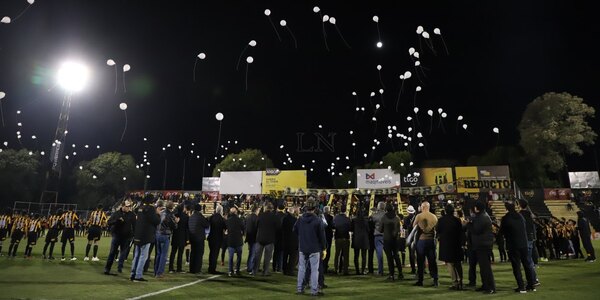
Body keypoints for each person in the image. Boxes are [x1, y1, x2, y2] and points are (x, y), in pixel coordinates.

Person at [499, 201, 536, 293]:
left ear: (506, 208)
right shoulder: (520, 216)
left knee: (516, 266)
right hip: (523, 244)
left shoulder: (506, 218)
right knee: (527, 264)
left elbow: (501, 232)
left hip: (513, 245)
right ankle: (531, 285)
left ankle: (521, 286)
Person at [294, 198, 326, 296]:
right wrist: (324, 248)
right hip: (314, 248)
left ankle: (300, 289)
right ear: (314, 208)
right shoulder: (317, 220)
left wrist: (302, 236)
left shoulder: (300, 219)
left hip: (303, 247)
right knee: (314, 270)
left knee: (302, 269)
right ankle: (314, 290)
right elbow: (322, 236)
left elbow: (294, 230)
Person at [130, 195, 161, 282]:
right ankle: (138, 275)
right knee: (143, 256)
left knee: (136, 255)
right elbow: (156, 221)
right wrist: (158, 214)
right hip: (146, 235)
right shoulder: (150, 209)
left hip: (138, 234)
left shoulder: (140, 208)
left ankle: (133, 274)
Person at [469, 200, 496, 294]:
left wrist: (468, 224)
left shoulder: (481, 217)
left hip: (483, 245)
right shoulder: (482, 216)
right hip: (483, 244)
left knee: (485, 267)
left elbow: (476, 230)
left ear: (477, 208)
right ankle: (485, 285)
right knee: (483, 267)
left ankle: (491, 287)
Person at [104, 199, 136, 275]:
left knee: (123, 253)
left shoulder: (132, 215)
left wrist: (133, 235)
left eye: (129, 206)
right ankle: (107, 268)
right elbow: (109, 222)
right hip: (117, 235)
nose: (128, 208)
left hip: (126, 237)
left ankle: (120, 268)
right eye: (127, 206)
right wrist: (117, 221)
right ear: (122, 206)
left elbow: (135, 226)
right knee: (112, 252)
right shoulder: (116, 213)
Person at [437, 204, 464, 290]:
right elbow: (461, 232)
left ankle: (455, 282)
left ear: (445, 211)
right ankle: (460, 281)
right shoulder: (457, 220)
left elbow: (438, 231)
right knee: (458, 264)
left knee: (450, 264)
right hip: (456, 245)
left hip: (446, 245)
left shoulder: (441, 220)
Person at [413, 201, 439, 287]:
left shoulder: (419, 216)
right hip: (431, 240)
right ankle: (435, 279)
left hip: (421, 240)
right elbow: (437, 229)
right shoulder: (434, 217)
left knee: (420, 261)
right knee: (432, 261)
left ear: (422, 207)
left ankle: (420, 280)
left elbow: (414, 227)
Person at [253, 203, 280, 276]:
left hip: (260, 238)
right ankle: (265, 272)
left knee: (257, 256)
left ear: (265, 208)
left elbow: (256, 225)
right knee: (267, 257)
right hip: (270, 239)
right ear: (272, 209)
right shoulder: (274, 216)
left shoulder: (260, 215)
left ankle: (254, 271)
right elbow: (278, 228)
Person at [154, 200, 178, 278]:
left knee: (158, 254)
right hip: (164, 235)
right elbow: (173, 226)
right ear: (172, 207)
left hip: (158, 234)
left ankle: (156, 271)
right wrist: (176, 222)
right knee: (163, 255)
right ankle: (159, 273)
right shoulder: (169, 215)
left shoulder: (161, 212)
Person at [518, 199, 539, 285]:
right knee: (529, 260)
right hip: (530, 237)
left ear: (519, 205)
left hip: (525, 239)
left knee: (527, 260)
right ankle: (534, 278)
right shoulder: (530, 214)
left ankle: (532, 280)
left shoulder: (520, 215)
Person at [381, 203, 403, 281]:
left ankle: (392, 274)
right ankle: (400, 273)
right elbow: (399, 229)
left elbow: (380, 229)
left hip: (387, 239)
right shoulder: (397, 218)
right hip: (395, 239)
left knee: (389, 258)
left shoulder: (384, 217)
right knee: (396, 256)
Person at [188, 203, 210, 274]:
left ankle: (192, 269)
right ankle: (197, 269)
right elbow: (206, 225)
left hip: (192, 238)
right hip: (199, 238)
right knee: (199, 254)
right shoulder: (200, 217)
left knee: (193, 253)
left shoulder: (191, 217)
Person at [169, 203, 189, 273]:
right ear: (183, 208)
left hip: (175, 236)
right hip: (182, 237)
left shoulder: (174, 215)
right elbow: (187, 228)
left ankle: (170, 268)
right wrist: (187, 239)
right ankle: (179, 268)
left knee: (173, 252)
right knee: (180, 253)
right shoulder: (186, 216)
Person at [225, 207, 245, 276]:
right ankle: (237, 270)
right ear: (236, 212)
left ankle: (230, 271)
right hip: (238, 241)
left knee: (231, 257)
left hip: (230, 241)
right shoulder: (240, 220)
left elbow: (225, 230)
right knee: (239, 257)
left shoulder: (228, 220)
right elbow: (244, 229)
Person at [369, 201, 386, 276]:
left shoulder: (374, 216)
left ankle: (380, 270)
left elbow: (371, 224)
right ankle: (392, 271)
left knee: (379, 254)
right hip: (387, 236)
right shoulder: (387, 215)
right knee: (390, 254)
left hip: (378, 236)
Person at [208, 205, 226, 274]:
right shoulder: (222, 219)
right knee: (215, 254)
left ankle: (210, 268)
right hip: (218, 239)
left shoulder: (211, 217)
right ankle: (212, 269)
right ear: (221, 211)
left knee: (211, 253)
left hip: (211, 238)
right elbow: (226, 228)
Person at [351, 208, 370, 275]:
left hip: (356, 239)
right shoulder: (366, 221)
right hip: (364, 239)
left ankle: (357, 270)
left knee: (356, 256)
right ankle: (362, 270)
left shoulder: (354, 220)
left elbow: (351, 229)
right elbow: (368, 230)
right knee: (364, 256)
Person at [282, 207, 299, 276]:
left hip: (285, 240)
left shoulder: (284, 219)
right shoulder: (295, 219)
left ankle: (284, 269)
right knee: (293, 256)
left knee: (285, 255)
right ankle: (290, 270)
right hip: (293, 240)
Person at [333, 208, 351, 275]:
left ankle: (336, 269)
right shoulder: (347, 218)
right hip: (345, 238)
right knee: (346, 255)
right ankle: (345, 270)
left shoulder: (335, 218)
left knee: (337, 254)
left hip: (338, 238)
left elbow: (333, 226)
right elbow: (350, 228)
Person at [403, 205, 417, 274]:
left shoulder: (406, 218)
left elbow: (404, 227)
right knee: (419, 253)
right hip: (417, 237)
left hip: (410, 237)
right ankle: (422, 269)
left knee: (411, 254)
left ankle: (413, 269)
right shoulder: (417, 217)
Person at [273, 203, 286, 272]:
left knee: (275, 252)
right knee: (281, 253)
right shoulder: (285, 216)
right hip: (283, 236)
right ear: (284, 209)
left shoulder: (275, 216)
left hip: (275, 236)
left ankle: (274, 267)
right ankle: (280, 267)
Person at [245, 205, 259, 273]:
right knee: (253, 253)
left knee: (251, 252)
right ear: (256, 210)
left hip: (249, 237)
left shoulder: (248, 217)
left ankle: (250, 266)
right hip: (254, 238)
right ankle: (250, 267)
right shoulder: (256, 218)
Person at [322, 205, 334, 273]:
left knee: (321, 251)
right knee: (328, 251)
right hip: (328, 236)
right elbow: (333, 226)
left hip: (322, 236)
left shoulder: (320, 217)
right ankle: (325, 266)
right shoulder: (330, 217)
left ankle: (322, 265)